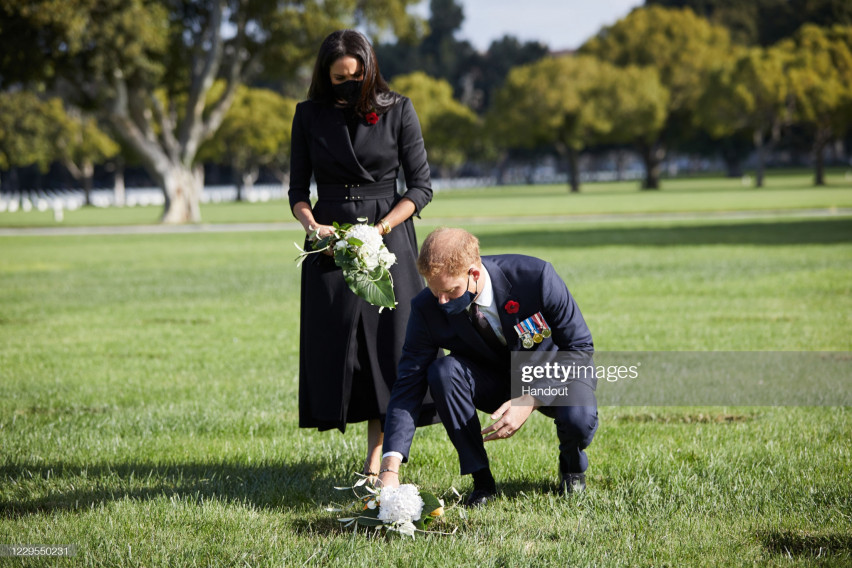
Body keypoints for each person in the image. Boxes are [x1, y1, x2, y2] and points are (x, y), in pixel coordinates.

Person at [288, 30, 438, 479]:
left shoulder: (399, 110)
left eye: (356, 76)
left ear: (369, 70)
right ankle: (353, 429)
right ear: (325, 75)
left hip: (387, 234)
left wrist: (383, 228)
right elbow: (298, 191)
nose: (348, 84)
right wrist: (312, 225)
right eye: (339, 78)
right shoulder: (308, 115)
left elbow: (421, 187)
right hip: (330, 238)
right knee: (339, 346)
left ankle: (379, 456)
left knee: (386, 347)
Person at [377, 228, 598, 506]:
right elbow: (408, 382)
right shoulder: (427, 308)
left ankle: (571, 468)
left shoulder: (536, 278)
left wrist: (529, 399)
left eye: (450, 291)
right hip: (491, 381)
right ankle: (482, 482)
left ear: (475, 274)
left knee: (579, 420)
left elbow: (580, 350)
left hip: (552, 374)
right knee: (442, 372)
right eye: (435, 292)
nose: (441, 302)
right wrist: (389, 468)